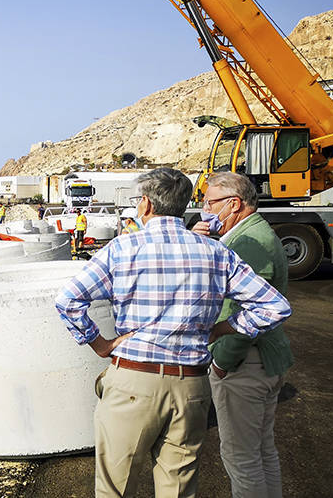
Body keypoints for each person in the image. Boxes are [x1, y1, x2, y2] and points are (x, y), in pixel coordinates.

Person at [54, 168, 291, 498]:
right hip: (191, 385)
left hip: (134, 380)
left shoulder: (122, 249)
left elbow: (68, 301)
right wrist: (222, 328)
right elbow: (274, 307)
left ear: (147, 205)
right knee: (178, 488)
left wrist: (100, 344)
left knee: (115, 488)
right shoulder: (217, 252)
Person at [193, 172, 292, 498]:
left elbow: (245, 309)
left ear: (233, 204)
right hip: (261, 359)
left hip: (244, 363)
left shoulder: (250, 243)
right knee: (262, 450)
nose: (204, 209)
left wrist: (223, 360)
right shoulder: (245, 235)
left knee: (240, 457)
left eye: (209, 202)